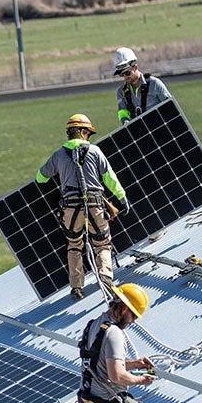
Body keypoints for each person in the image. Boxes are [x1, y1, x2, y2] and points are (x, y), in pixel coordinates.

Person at [36, 114, 129, 301]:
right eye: (88, 133)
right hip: (95, 204)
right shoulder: (95, 151)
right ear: (83, 131)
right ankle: (106, 280)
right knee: (102, 244)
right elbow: (109, 177)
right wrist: (122, 197)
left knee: (74, 245)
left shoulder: (58, 154)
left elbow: (40, 178)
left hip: (70, 208)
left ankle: (77, 287)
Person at [112, 47, 172, 125]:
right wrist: (124, 120)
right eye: (121, 74)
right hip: (140, 132)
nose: (125, 77)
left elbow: (170, 106)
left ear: (135, 67)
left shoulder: (154, 84)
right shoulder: (121, 92)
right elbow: (122, 111)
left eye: (127, 73)